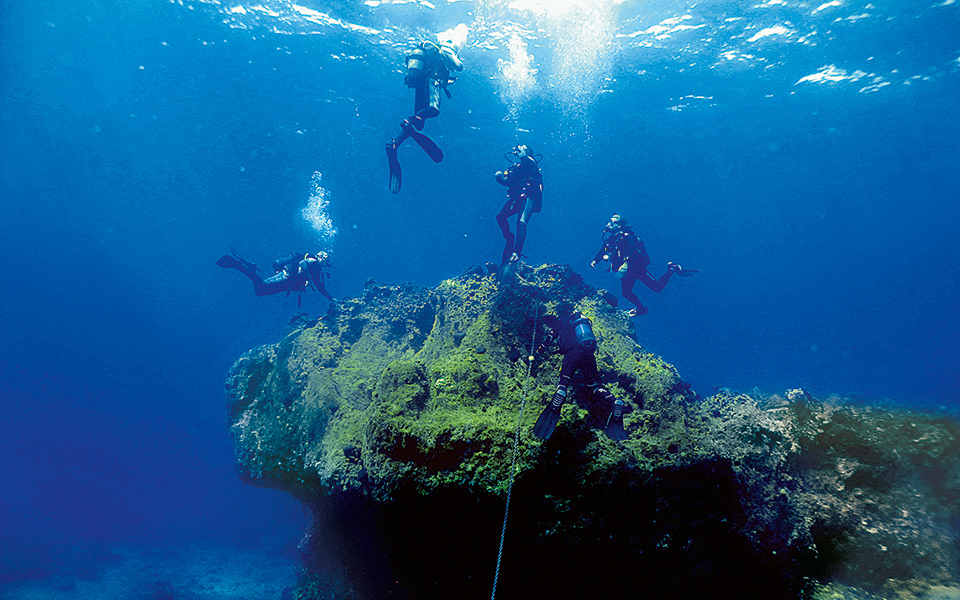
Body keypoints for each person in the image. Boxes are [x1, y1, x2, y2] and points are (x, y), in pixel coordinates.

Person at [531, 304, 626, 442]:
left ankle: (558, 399)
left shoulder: (560, 321)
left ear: (560, 312)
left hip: (571, 354)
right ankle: (613, 399)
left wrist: (535, 355)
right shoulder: (581, 320)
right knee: (594, 385)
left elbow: (548, 341)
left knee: (563, 383)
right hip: (588, 354)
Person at [385, 38, 464, 194]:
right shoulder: (447, 50)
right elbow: (459, 66)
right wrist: (454, 55)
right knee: (434, 110)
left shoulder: (429, 53)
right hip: (432, 82)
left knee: (419, 124)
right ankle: (409, 126)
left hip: (421, 84)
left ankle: (395, 143)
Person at [590, 214, 698, 317]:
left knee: (656, 287)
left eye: (612, 222)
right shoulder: (610, 239)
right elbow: (603, 251)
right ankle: (641, 309)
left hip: (637, 268)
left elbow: (632, 250)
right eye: (608, 222)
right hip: (627, 272)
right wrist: (595, 261)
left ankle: (671, 269)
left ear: (619, 225)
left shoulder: (628, 237)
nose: (608, 224)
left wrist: (626, 263)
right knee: (626, 293)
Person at [217, 246, 334, 307]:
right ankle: (239, 266)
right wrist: (331, 298)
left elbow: (282, 262)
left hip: (287, 281)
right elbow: (319, 286)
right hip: (287, 279)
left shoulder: (310, 262)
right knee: (261, 286)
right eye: (326, 262)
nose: (325, 265)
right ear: (322, 258)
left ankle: (248, 267)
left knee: (259, 291)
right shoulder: (314, 264)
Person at [494, 144, 543, 277]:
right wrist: (500, 179)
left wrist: (524, 156)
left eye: (522, 147)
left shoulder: (530, 162)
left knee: (521, 222)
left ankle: (516, 252)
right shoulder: (518, 167)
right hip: (517, 196)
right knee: (500, 217)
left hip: (529, 196)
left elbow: (530, 166)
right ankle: (509, 238)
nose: (519, 148)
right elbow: (508, 182)